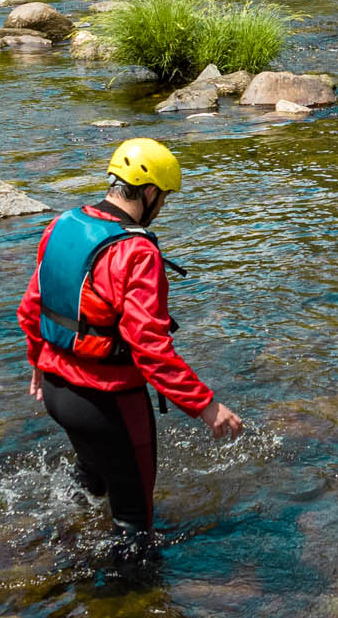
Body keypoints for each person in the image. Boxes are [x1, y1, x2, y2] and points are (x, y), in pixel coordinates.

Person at [19, 138, 244, 541]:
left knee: (91, 480)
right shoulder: (137, 252)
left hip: (56, 393)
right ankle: (129, 597)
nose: (162, 207)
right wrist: (206, 406)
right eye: (165, 198)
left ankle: (62, 547)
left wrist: (38, 363)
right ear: (150, 192)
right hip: (108, 402)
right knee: (135, 524)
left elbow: (32, 307)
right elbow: (151, 349)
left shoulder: (62, 224)